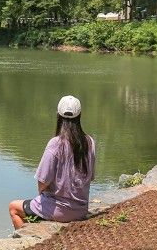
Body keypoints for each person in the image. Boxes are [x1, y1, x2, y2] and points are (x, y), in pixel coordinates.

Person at [9, 95, 95, 234]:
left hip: (59, 211)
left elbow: (42, 182)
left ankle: (27, 240)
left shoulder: (56, 144)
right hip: (81, 209)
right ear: (80, 116)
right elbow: (90, 177)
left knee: (13, 207)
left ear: (58, 116)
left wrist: (43, 196)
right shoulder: (89, 142)